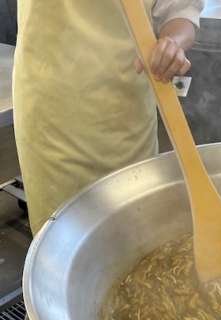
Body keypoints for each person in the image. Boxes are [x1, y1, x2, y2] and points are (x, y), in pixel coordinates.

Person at [13, 0, 204, 235]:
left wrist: (172, 43)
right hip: (52, 113)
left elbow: (180, 9)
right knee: (60, 234)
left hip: (127, 111)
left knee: (136, 231)